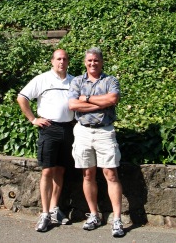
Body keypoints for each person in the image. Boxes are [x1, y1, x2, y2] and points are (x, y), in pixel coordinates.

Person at [68, 47, 125, 238]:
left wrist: (86, 99)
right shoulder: (77, 81)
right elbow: (72, 105)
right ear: (85, 62)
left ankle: (117, 219)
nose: (93, 63)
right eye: (90, 60)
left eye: (96, 60)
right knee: (87, 174)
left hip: (104, 132)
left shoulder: (110, 81)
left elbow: (113, 98)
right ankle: (93, 215)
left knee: (111, 174)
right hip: (83, 132)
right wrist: (99, 103)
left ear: (101, 62)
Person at [17, 49, 74, 233]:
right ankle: (44, 213)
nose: (62, 62)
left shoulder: (74, 81)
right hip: (49, 129)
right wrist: (33, 119)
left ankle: (55, 209)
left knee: (60, 170)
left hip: (69, 129)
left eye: (64, 59)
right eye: (58, 59)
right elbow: (22, 98)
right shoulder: (42, 79)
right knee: (47, 170)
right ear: (52, 61)